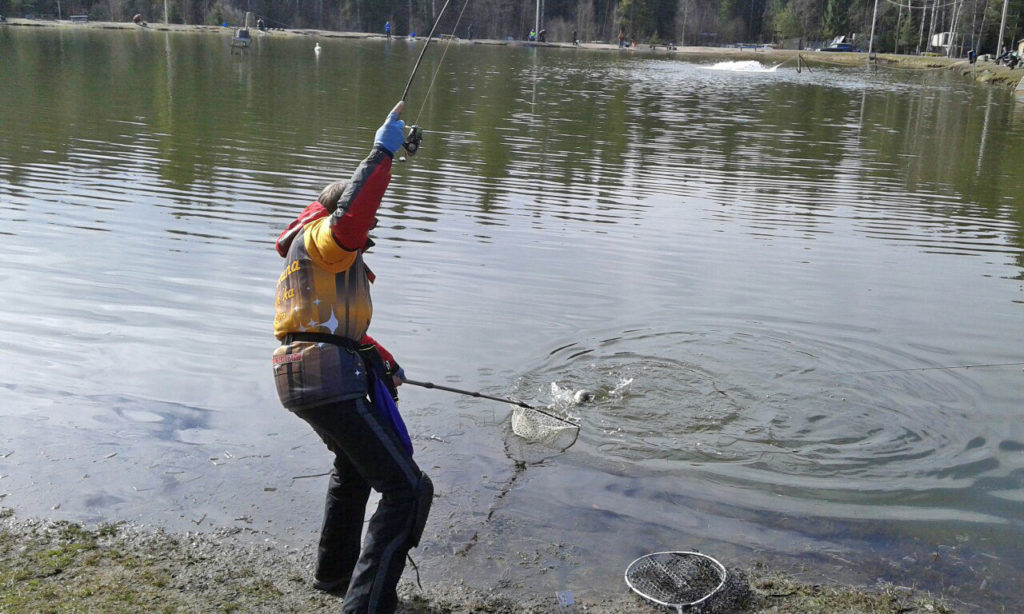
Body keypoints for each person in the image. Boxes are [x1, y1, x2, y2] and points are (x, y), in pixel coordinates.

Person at [271, 101, 432, 614]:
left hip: (304, 377)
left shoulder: (314, 257)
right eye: (368, 223)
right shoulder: (322, 238)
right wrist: (382, 151)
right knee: (407, 489)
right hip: (327, 380)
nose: (369, 233)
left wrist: (381, 359)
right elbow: (351, 217)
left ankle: (336, 574)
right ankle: (366, 604)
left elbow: (327, 327)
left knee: (354, 469)